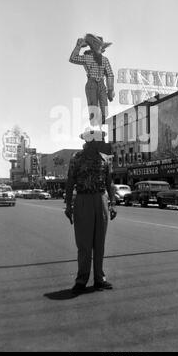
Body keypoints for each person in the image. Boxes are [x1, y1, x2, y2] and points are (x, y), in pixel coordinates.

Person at [65, 128, 117, 295]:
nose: (103, 142)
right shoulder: (77, 158)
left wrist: (113, 203)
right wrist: (68, 205)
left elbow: (110, 182)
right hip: (83, 200)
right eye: (101, 139)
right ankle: (81, 279)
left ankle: (99, 279)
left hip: (101, 199)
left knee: (99, 242)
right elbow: (70, 181)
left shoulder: (105, 159)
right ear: (92, 141)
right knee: (84, 243)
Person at [69, 34, 115, 125]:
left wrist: (110, 90)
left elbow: (110, 74)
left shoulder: (105, 60)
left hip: (101, 84)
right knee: (93, 107)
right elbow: (73, 58)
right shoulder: (88, 57)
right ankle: (95, 127)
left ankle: (101, 125)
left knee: (104, 109)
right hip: (92, 83)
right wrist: (78, 46)